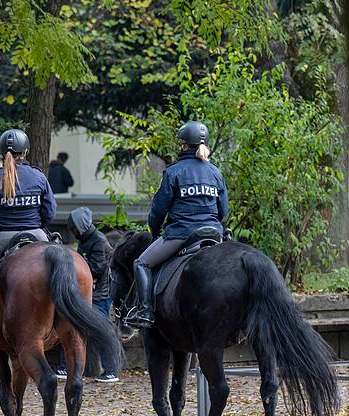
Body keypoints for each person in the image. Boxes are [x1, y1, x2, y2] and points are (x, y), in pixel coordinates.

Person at [125, 121, 228, 329]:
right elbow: (223, 211)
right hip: (214, 233)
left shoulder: (174, 172)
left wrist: (154, 230)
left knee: (141, 263)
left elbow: (159, 209)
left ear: (184, 145)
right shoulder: (215, 172)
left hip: (182, 233)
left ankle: (145, 311)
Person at [0, 129, 57, 351]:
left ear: (3, 150)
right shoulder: (38, 176)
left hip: (2, 237)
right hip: (36, 234)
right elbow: (50, 212)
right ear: (25, 152)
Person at [55, 206, 120, 383]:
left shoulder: (98, 241)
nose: (72, 232)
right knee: (69, 325)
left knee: (102, 330)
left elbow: (96, 268)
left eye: (73, 228)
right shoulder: (86, 240)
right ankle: (66, 367)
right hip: (87, 292)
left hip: (99, 295)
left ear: (80, 226)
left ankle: (111, 370)